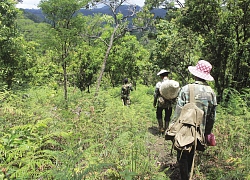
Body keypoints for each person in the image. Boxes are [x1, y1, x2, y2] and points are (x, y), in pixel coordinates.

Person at [172, 60, 217, 180]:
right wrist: (207, 132)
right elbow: (212, 117)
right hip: (199, 131)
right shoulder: (211, 93)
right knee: (192, 154)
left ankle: (184, 177)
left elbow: (178, 112)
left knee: (182, 155)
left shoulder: (186, 89)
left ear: (195, 74)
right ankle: (188, 175)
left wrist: (172, 128)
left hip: (185, 129)